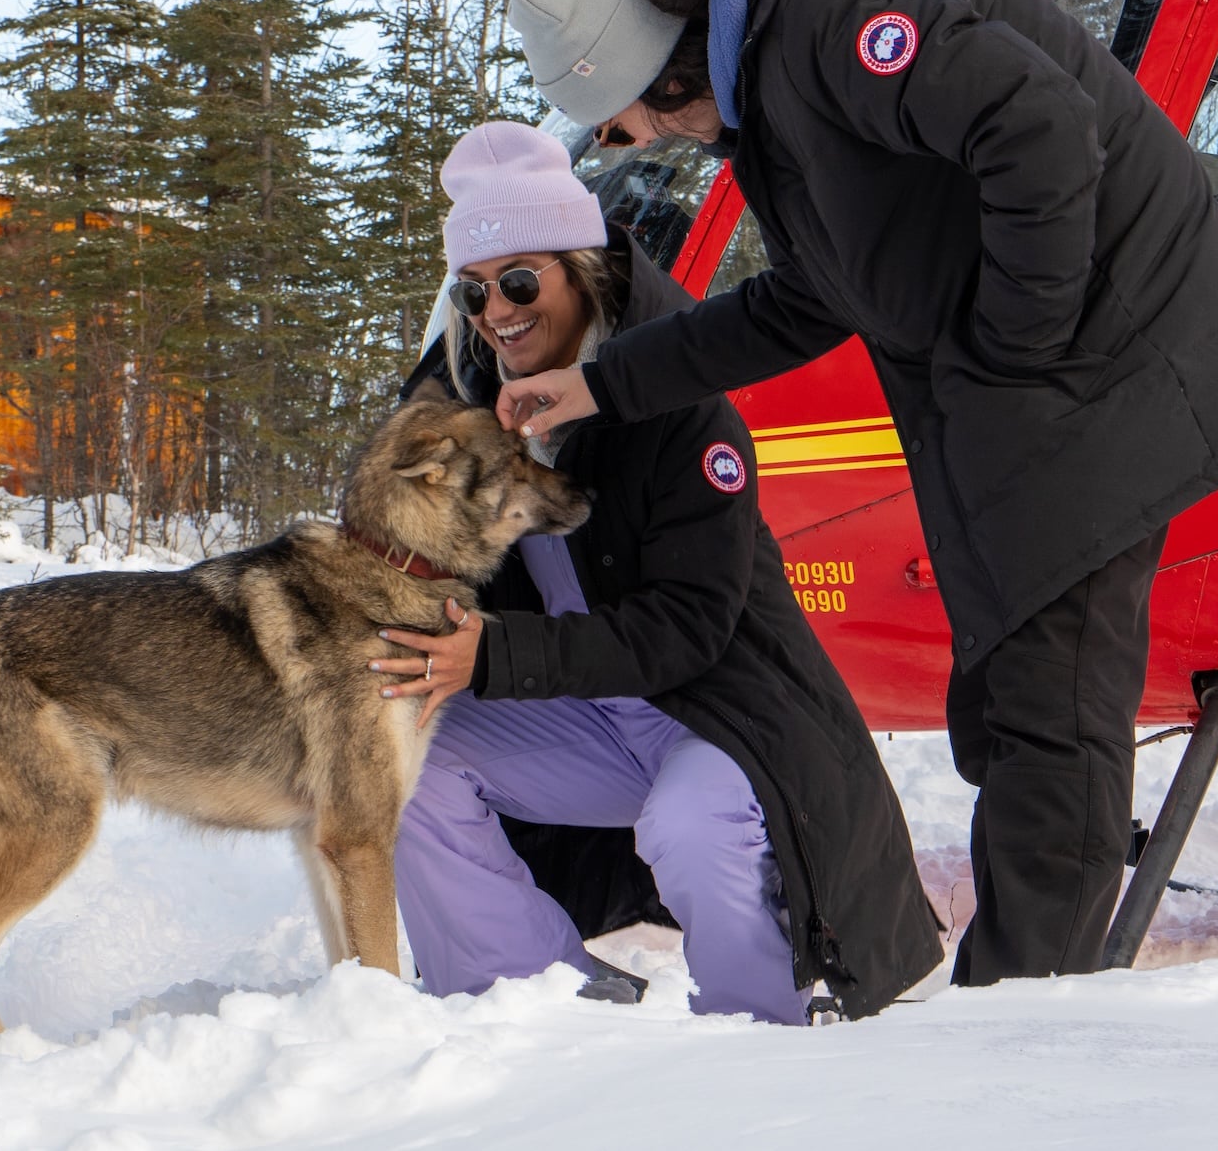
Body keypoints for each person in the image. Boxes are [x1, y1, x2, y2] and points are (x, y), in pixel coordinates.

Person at [489, 0, 1218, 987]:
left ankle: (1021, 1023)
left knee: (1044, 710)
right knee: (1001, 698)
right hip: (1039, 398)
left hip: (1104, 378)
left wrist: (1017, 347)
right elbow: (809, 300)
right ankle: (1015, 1007)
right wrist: (597, 383)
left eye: (620, 124)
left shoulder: (839, 6)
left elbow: (1038, 130)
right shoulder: (776, 85)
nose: (635, 146)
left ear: (663, 75)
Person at [366, 120, 941, 1023]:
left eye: (520, 281)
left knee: (691, 822)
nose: (496, 310)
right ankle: (541, 1004)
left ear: (582, 269)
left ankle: (762, 1029)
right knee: (396, 757)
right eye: (473, 290)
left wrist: (496, 652)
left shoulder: (683, 403)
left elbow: (689, 626)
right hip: (587, 720)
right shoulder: (469, 402)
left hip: (718, 715)